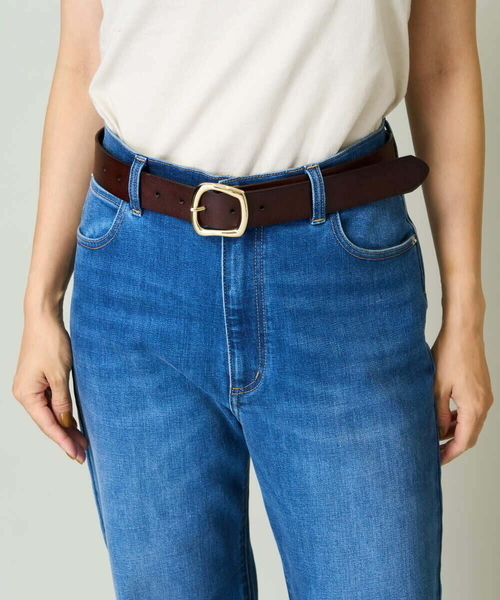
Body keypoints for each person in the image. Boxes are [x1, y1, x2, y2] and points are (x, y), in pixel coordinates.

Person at [12, 0, 493, 598]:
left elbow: (444, 61)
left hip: (340, 284)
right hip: (137, 280)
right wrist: (40, 305)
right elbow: (83, 57)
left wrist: (466, 316)